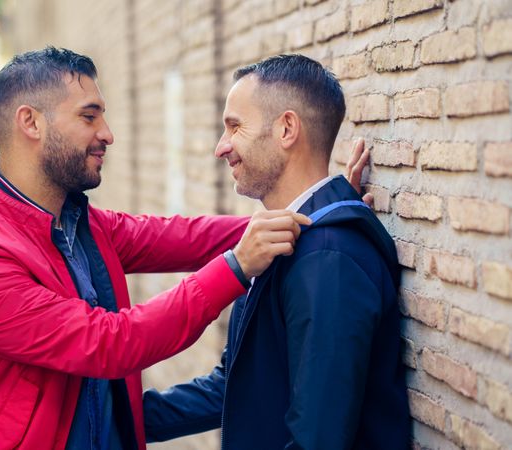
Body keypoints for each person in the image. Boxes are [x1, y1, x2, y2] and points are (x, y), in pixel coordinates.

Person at [0, 46, 315, 450]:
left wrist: (310, 211)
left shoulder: (80, 224)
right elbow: (110, 343)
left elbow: (185, 237)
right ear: (31, 122)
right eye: (89, 116)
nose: (107, 134)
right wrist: (236, 268)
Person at [143, 54, 410, 449]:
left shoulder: (328, 259)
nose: (221, 147)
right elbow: (236, 384)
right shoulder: (286, 241)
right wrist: (116, 421)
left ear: (287, 129)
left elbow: (316, 440)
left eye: (235, 127)